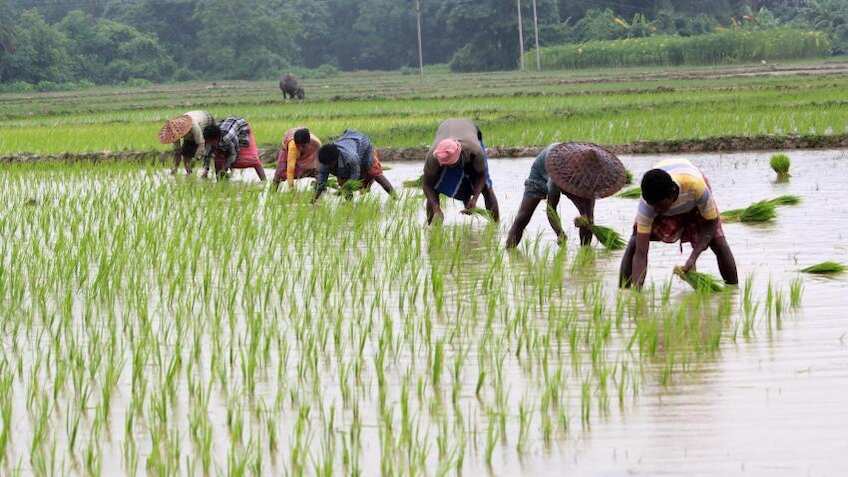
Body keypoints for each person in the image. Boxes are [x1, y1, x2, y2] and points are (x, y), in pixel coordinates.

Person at [619, 158, 738, 289]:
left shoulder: (696, 187)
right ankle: (623, 290)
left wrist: (693, 258)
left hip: (692, 198)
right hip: (668, 190)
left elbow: (711, 222)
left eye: (659, 206)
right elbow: (641, 253)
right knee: (634, 243)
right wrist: (636, 295)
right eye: (653, 206)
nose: (656, 211)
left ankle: (733, 291)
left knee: (719, 242)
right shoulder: (648, 206)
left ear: (673, 193)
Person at [506, 142, 627, 249]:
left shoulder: (591, 182)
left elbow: (589, 218)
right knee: (523, 217)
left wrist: (585, 220)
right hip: (541, 171)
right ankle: (509, 251)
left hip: (574, 174)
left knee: (588, 219)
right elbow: (551, 209)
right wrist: (559, 233)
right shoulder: (558, 174)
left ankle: (585, 252)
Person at [422, 119, 500, 224]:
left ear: (460, 154)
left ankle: (495, 227)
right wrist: (436, 208)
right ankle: (432, 228)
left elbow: (482, 176)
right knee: (434, 189)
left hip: (468, 128)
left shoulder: (475, 151)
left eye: (452, 164)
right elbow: (427, 184)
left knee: (487, 187)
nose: (449, 168)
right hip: (445, 128)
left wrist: (474, 199)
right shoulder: (433, 157)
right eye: (446, 165)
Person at [313, 129, 395, 202]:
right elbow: (321, 182)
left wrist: (344, 189)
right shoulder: (324, 162)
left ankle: (396, 198)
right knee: (342, 181)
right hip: (348, 143)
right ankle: (350, 205)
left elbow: (355, 176)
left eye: (329, 165)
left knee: (374, 172)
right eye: (326, 165)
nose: (327, 167)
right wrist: (313, 200)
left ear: (335, 160)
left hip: (363, 145)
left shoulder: (350, 158)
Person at [201, 117, 267, 181]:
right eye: (208, 142)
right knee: (217, 156)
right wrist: (205, 170)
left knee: (245, 149)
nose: (209, 144)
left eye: (211, 142)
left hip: (241, 126)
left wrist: (225, 167)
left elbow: (233, 153)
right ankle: (220, 181)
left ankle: (264, 181)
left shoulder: (227, 138)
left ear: (217, 139)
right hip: (225, 124)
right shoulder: (209, 139)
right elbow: (207, 153)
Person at [158, 111, 215, 175]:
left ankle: (205, 171)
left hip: (207, 121)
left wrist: (196, 158)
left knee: (207, 151)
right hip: (191, 132)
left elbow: (201, 144)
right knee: (186, 154)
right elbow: (178, 152)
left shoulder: (194, 126)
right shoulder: (174, 132)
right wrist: (175, 168)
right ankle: (189, 172)